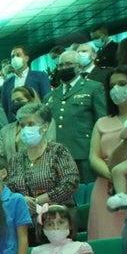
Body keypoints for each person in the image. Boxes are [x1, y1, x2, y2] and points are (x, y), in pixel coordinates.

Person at [5, 103, 80, 230]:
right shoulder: (15, 159)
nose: (25, 129)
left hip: (58, 219)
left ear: (44, 127)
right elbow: (8, 187)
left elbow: (70, 182)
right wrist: (21, 199)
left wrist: (41, 200)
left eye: (31, 124)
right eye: (22, 125)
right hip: (26, 223)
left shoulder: (58, 151)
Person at [46, 48, 107, 184]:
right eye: (61, 65)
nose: (64, 68)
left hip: (85, 153)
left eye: (68, 64)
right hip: (59, 157)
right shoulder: (50, 96)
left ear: (79, 67)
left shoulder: (93, 88)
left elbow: (102, 122)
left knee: (87, 195)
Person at [92, 66, 127, 233]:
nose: (116, 89)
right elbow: (94, 157)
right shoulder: (102, 122)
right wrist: (114, 176)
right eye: (112, 86)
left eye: (122, 83)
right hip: (106, 190)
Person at [2, 86, 58, 161]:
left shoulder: (46, 122)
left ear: (30, 101)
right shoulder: (5, 130)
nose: (16, 103)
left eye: (19, 100)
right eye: (13, 101)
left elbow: (48, 145)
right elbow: (0, 155)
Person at [1, 45, 52, 122]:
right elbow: (5, 107)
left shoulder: (40, 76)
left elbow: (47, 99)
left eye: (18, 55)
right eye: (12, 56)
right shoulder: (7, 83)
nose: (15, 58)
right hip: (14, 125)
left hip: (36, 121)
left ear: (26, 58)